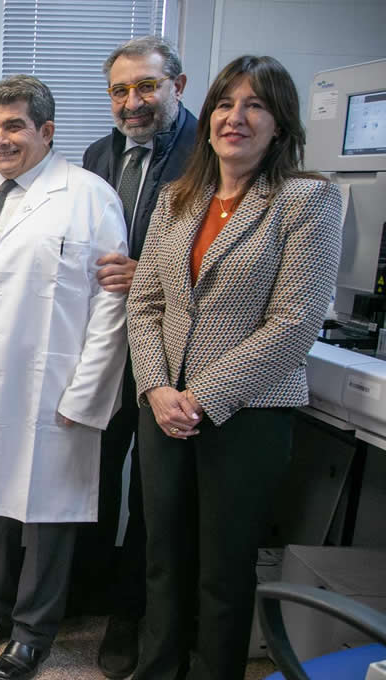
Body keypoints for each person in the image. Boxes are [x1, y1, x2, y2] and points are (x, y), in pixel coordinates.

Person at [128, 55, 342, 680]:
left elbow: (295, 322)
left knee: (223, 567)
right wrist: (157, 387)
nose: (235, 118)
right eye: (225, 104)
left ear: (280, 124)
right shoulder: (177, 197)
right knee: (162, 556)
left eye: (254, 106)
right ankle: (157, 669)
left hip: (247, 414)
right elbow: (145, 303)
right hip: (163, 410)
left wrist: (201, 395)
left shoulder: (308, 199)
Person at [0, 75, 129, 680]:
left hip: (49, 382)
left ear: (46, 130)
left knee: (47, 509)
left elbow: (111, 303)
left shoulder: (90, 197)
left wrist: (89, 391)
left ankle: (35, 629)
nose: (0, 139)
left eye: (13, 126)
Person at [74, 35, 197, 678]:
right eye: (120, 90)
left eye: (146, 86)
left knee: (150, 495)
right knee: (92, 471)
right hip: (104, 344)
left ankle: (129, 613)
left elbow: (207, 261)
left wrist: (143, 271)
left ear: (177, 83)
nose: (132, 102)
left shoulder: (206, 154)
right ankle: (89, 588)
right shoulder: (101, 153)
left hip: (174, 355)